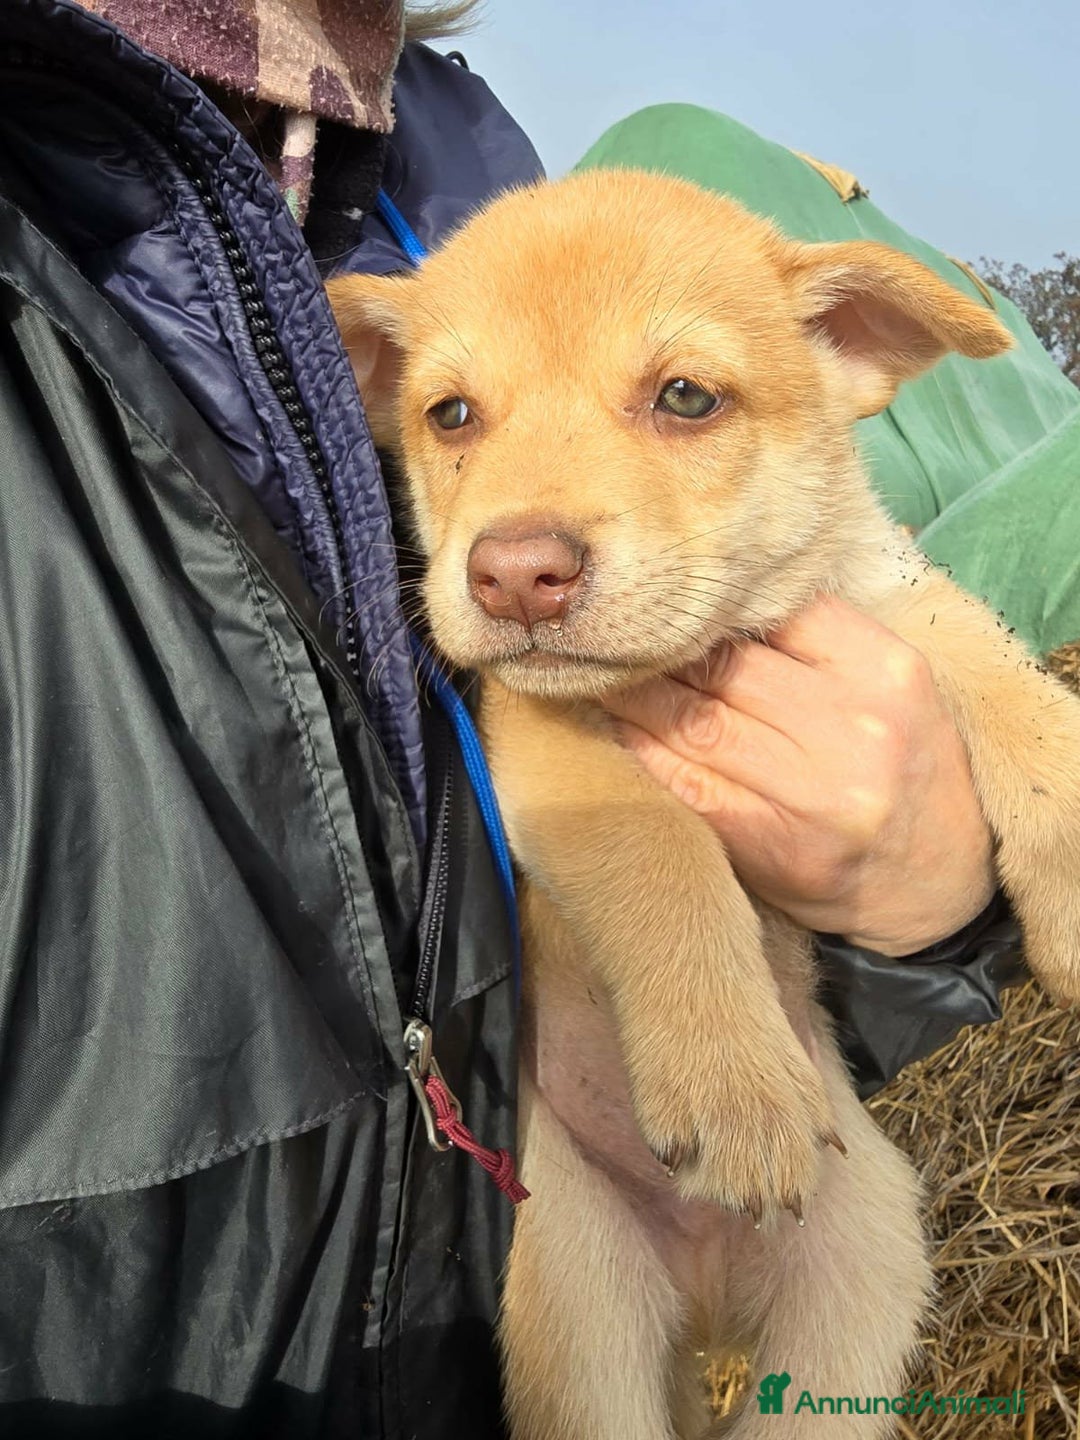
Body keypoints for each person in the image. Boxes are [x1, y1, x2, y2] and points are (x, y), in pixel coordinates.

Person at [0, 0, 1021, 1434]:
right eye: (454, 421)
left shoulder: (458, 182)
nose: (519, 532)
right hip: (312, 1313)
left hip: (672, 1149)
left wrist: (927, 918)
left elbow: (910, 666)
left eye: (678, 395)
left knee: (852, 1305)